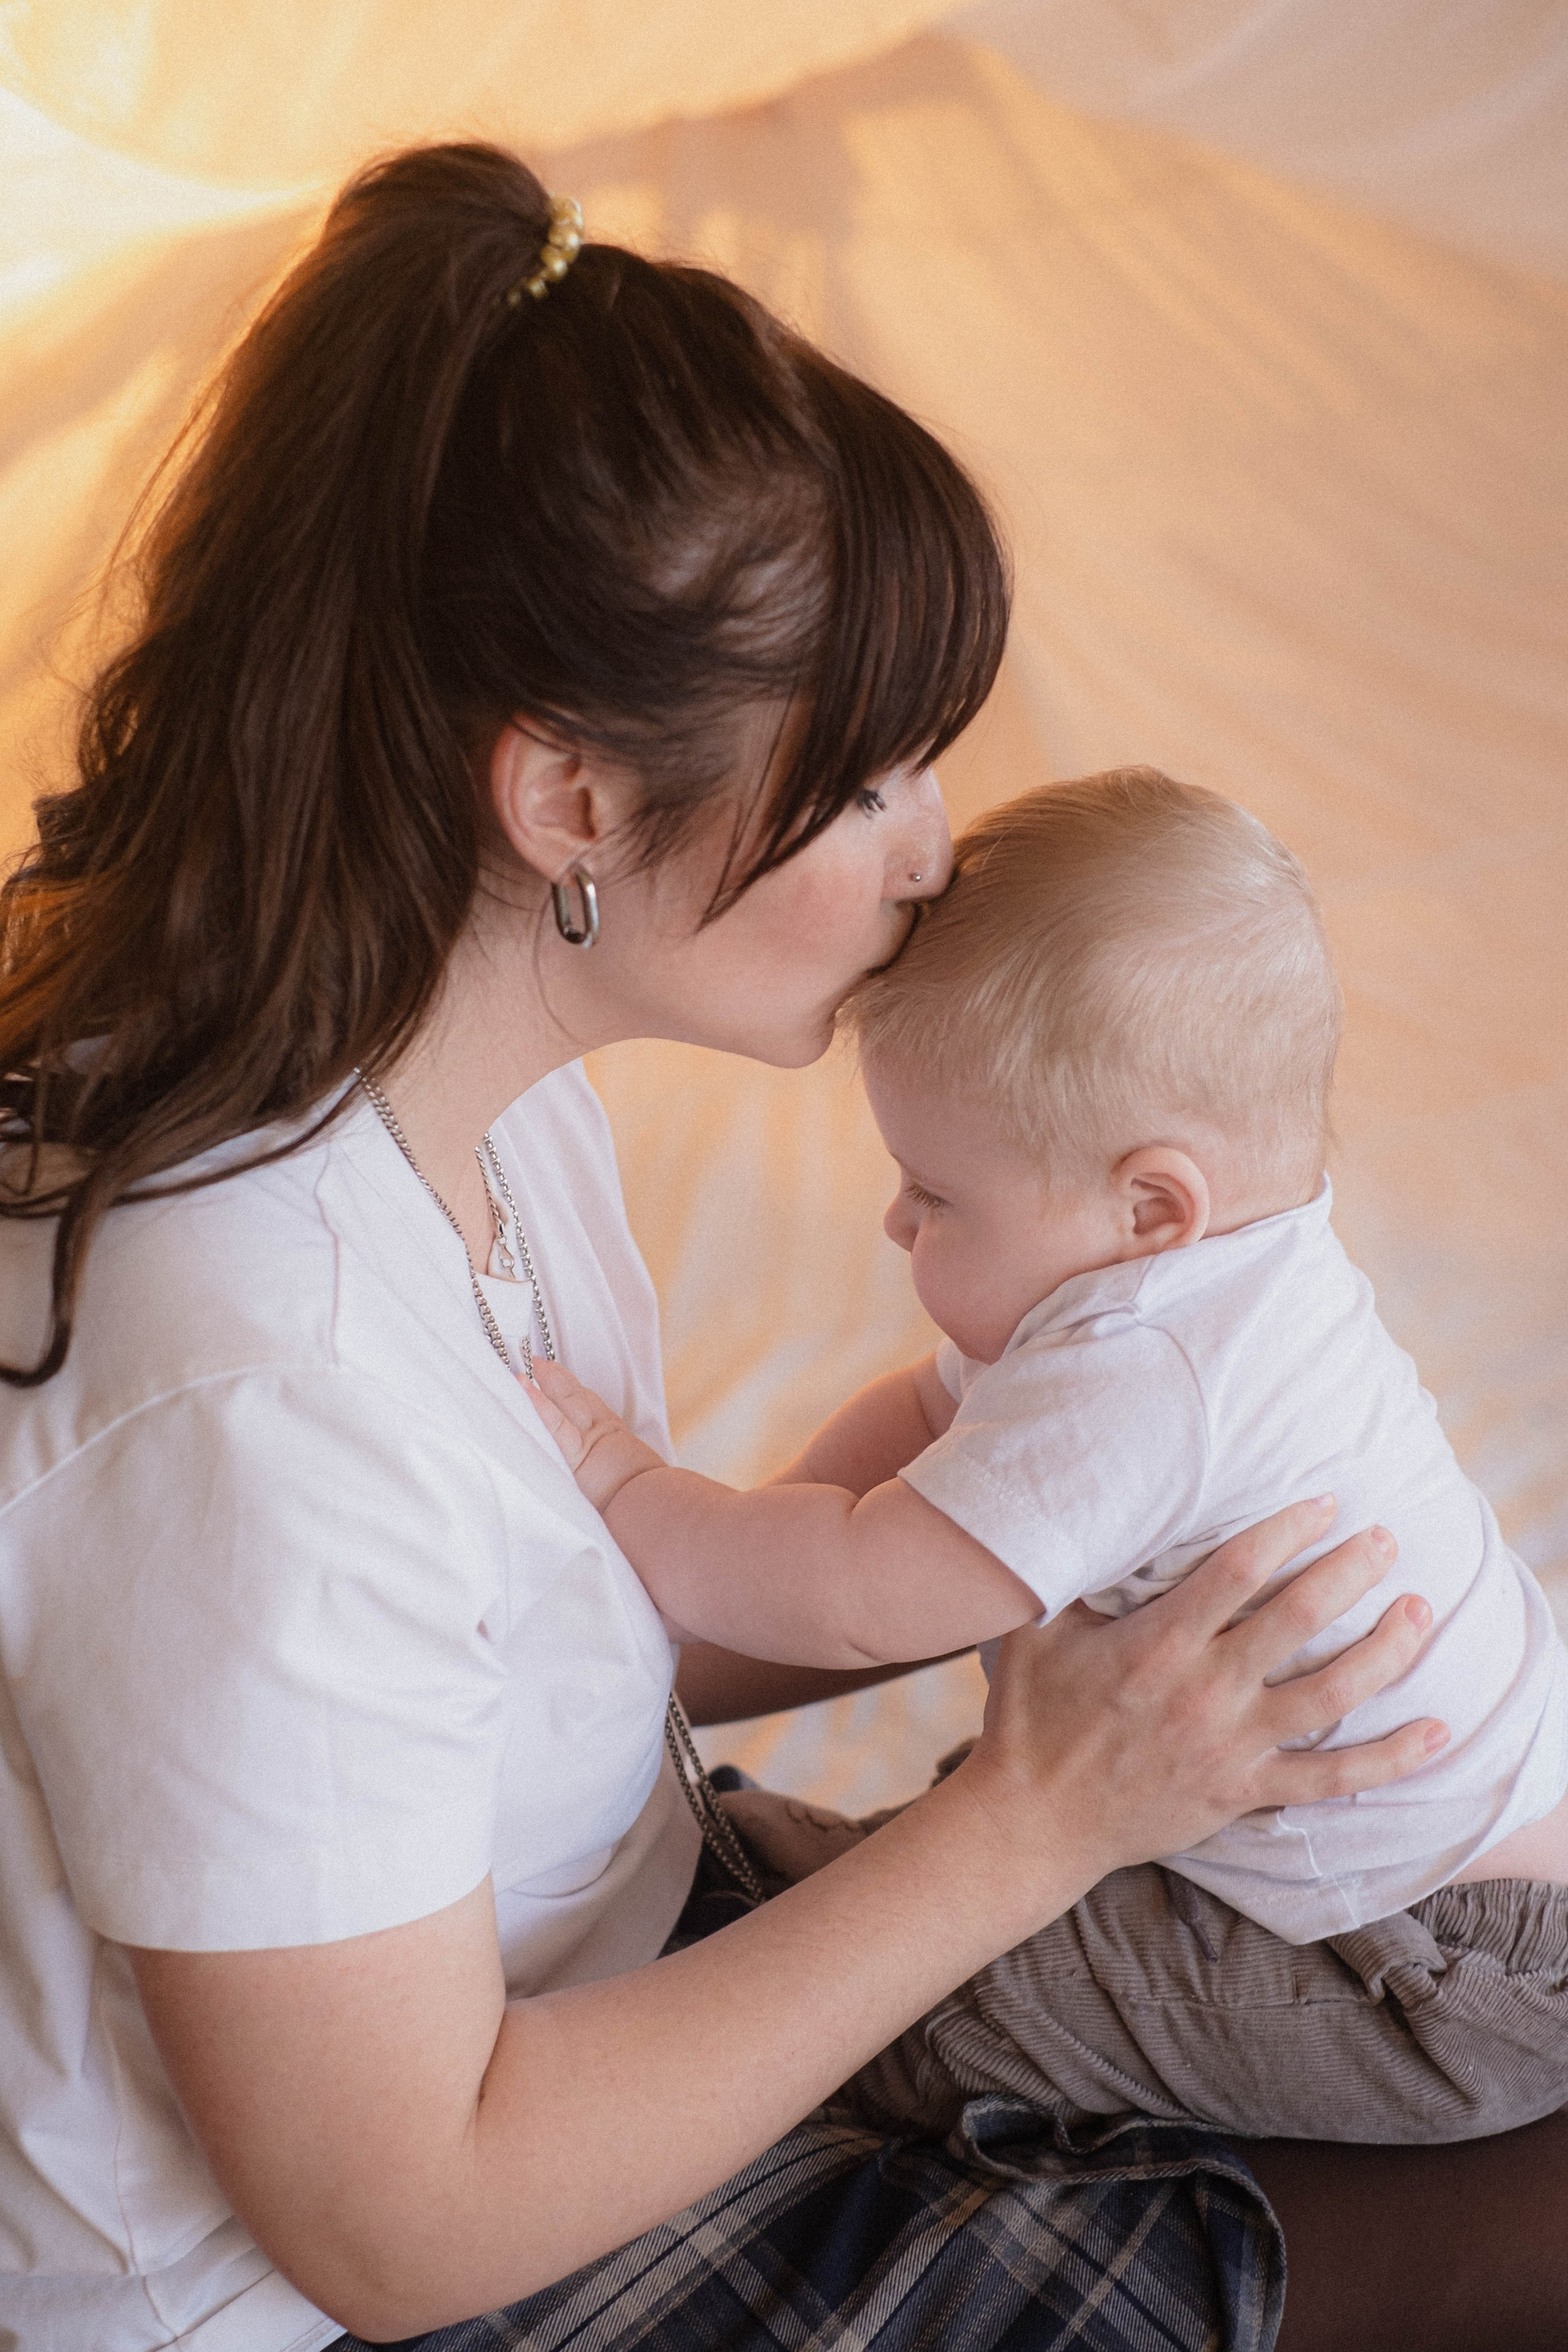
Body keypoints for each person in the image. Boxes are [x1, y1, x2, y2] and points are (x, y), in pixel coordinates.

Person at [0, 145, 1447, 2352]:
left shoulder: (470, 1100)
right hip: (361, 2282)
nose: (934, 861)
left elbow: (522, 1654)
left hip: (580, 1946)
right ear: (569, 802)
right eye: (870, 781)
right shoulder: (246, 1383)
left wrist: (991, 1552)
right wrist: (1035, 1819)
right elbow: (397, 2224)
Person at [529, 767, 1568, 2150]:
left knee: (944, 2014)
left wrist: (637, 1495)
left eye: (938, 1196)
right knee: (1017, 1782)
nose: (896, 1226)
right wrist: (779, 1524)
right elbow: (923, 1428)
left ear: (1148, 1203)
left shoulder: (1150, 1372)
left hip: (1419, 1974)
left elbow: (864, 1591)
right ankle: (830, 1875)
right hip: (1357, 1876)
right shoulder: (1178, 1276)